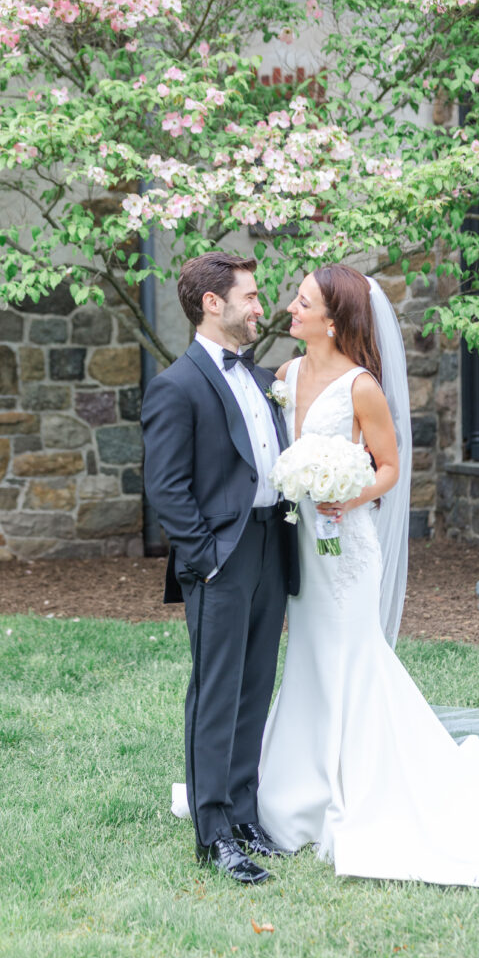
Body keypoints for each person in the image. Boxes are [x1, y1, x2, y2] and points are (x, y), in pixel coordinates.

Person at [255, 263, 479, 886]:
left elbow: (392, 467)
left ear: (334, 319)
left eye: (304, 299)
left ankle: (358, 791)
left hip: (348, 546)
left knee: (350, 654)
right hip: (302, 546)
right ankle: (294, 791)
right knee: (309, 656)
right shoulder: (287, 376)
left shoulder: (361, 386)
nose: (291, 305)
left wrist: (351, 492)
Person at [142, 251, 298, 885]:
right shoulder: (176, 386)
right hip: (220, 559)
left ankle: (244, 815)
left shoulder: (263, 380)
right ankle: (213, 835)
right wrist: (205, 558)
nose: (262, 307)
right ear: (214, 303)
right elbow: (166, 487)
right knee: (216, 693)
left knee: (254, 686)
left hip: (270, 546)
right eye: (252, 297)